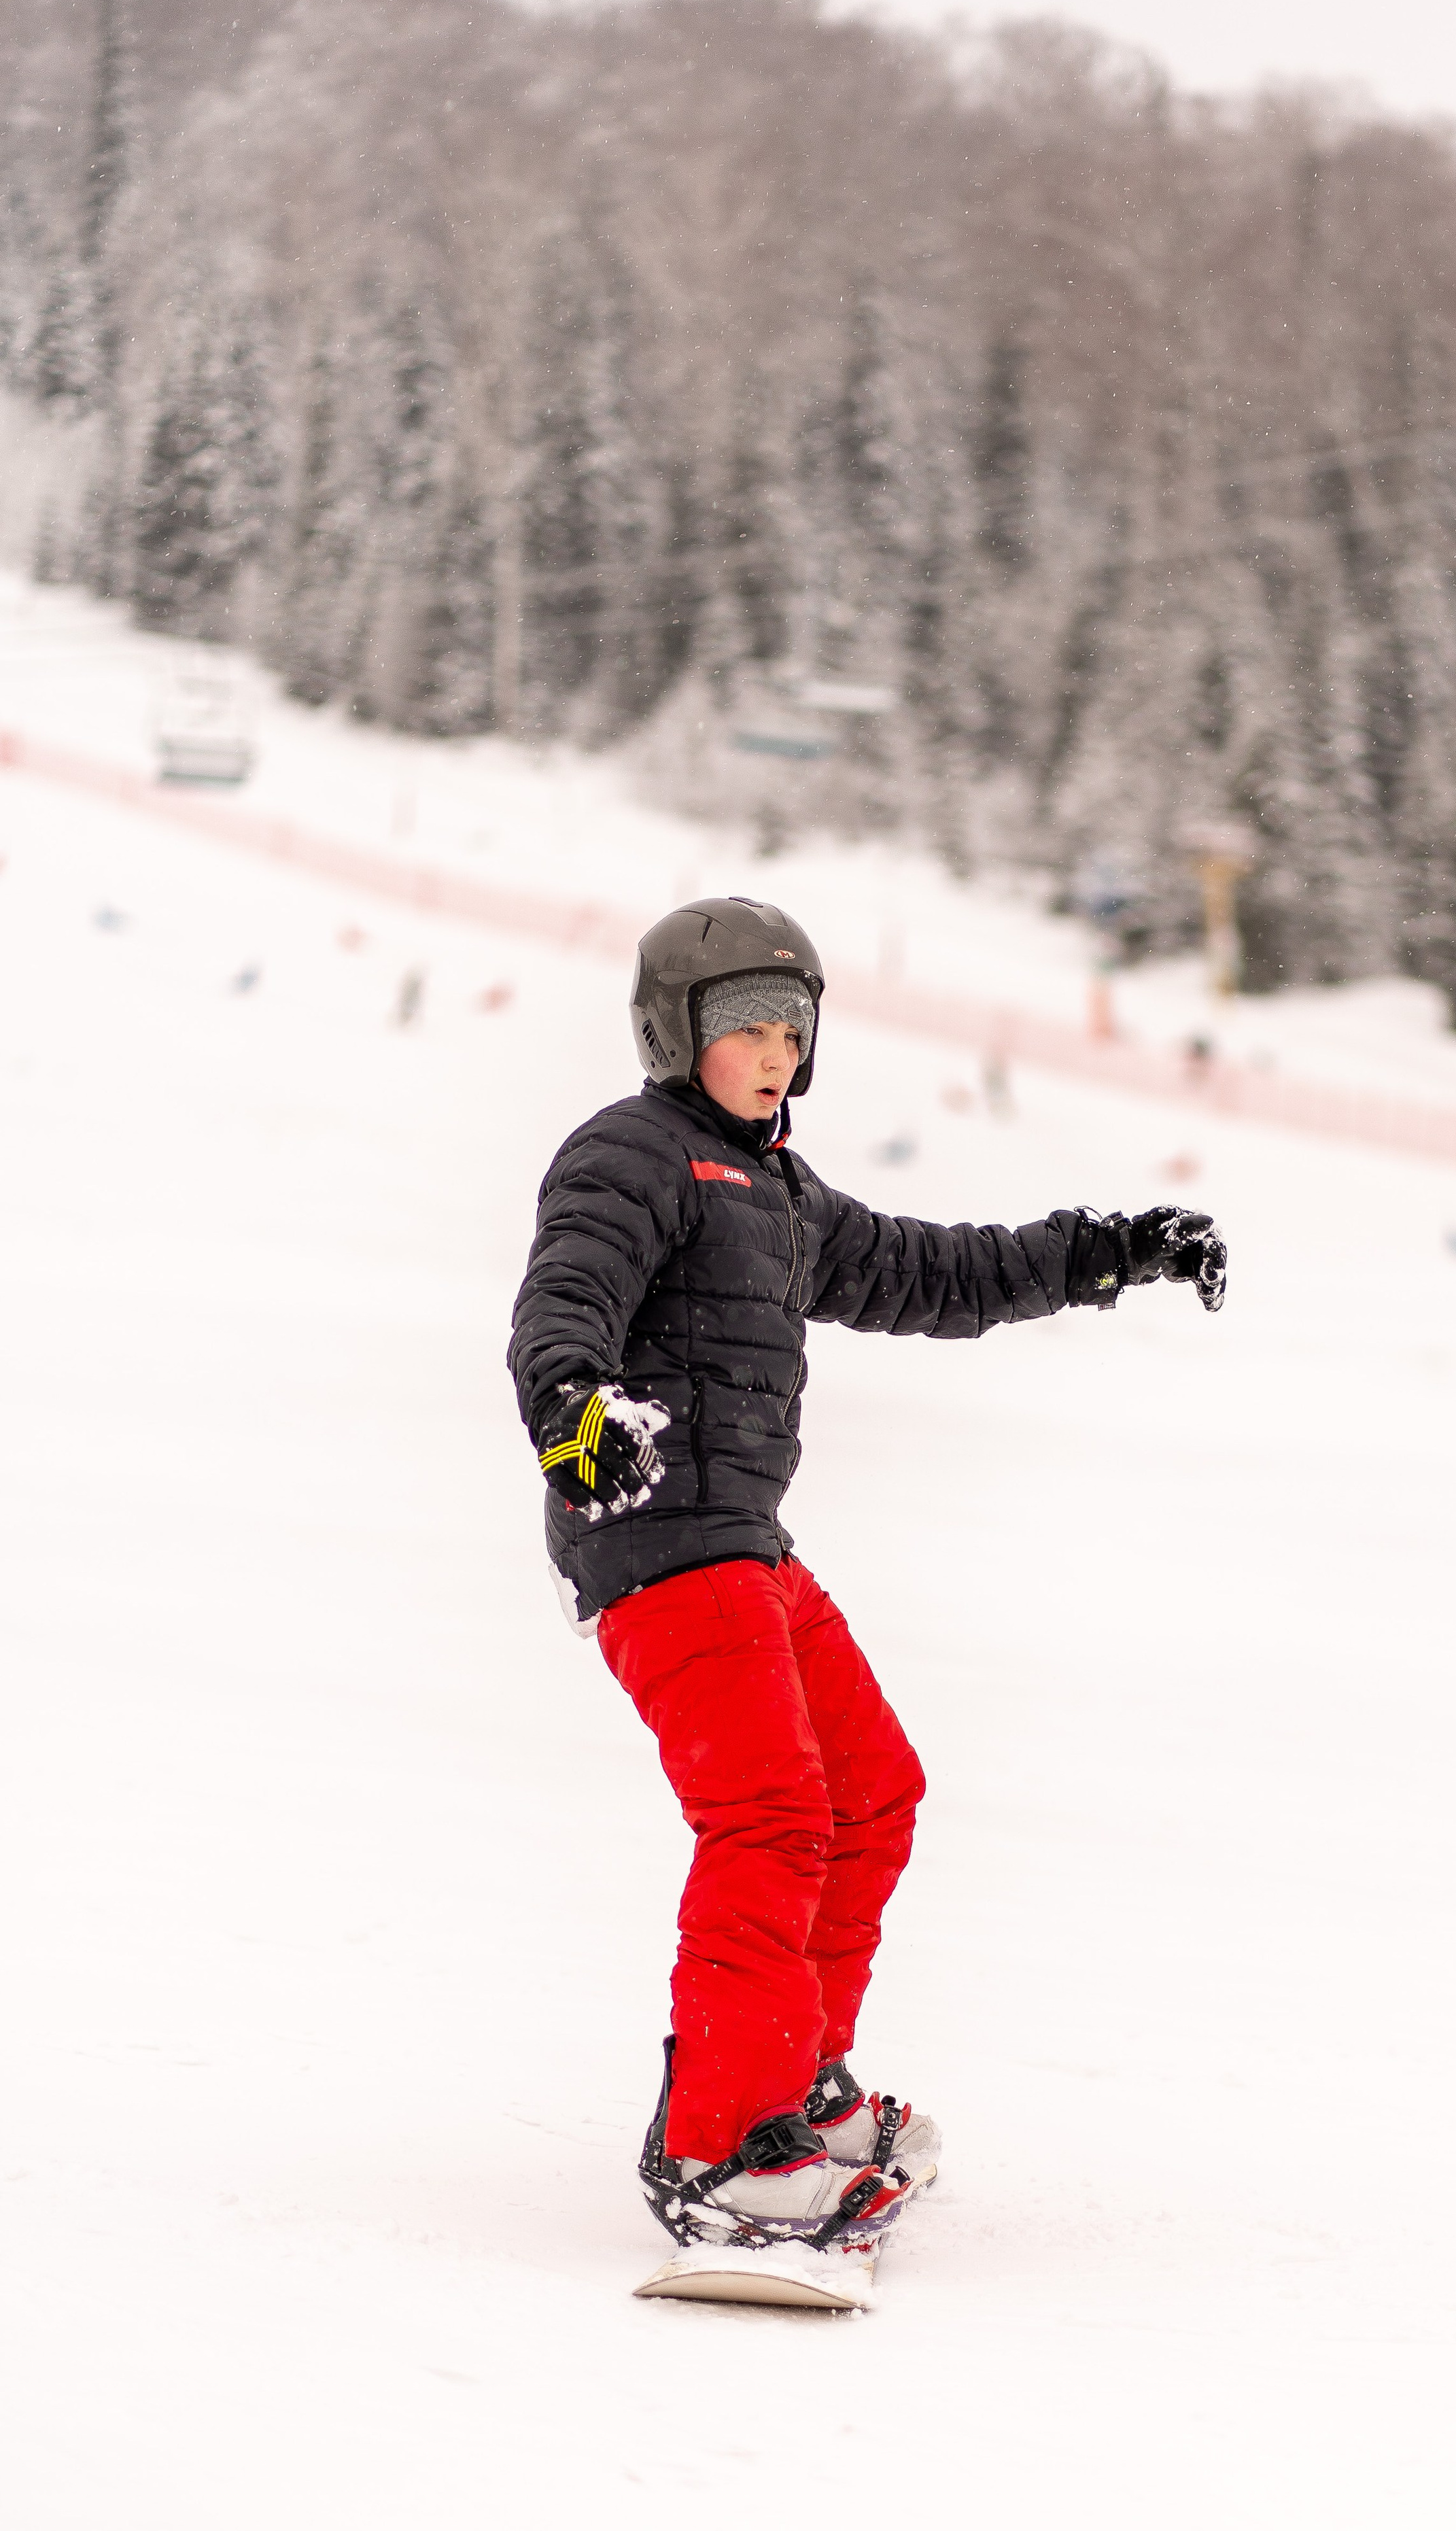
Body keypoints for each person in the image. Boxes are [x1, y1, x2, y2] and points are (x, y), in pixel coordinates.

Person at [508, 897, 1227, 2251]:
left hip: (744, 1542)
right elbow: (567, 1297)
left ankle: (792, 2083)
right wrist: (574, 1408)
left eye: (793, 1027)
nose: (773, 1052)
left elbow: (926, 1271)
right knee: (772, 1818)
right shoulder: (629, 1155)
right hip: (656, 1531)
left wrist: (1100, 1251)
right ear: (677, 1031)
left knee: (870, 1793)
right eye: (743, 1027)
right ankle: (719, 2147)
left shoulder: (778, 1191)